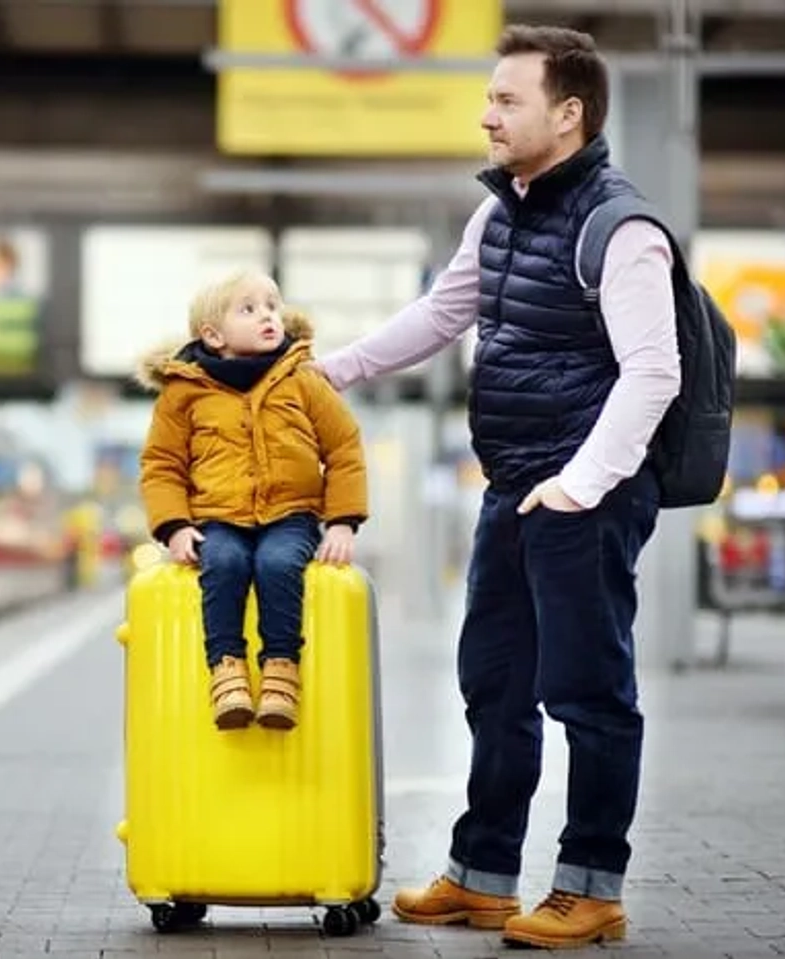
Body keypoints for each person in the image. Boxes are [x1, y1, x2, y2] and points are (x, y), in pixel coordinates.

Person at [313, 25, 681, 951]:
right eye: (489, 97)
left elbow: (654, 373)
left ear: (569, 113)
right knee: (494, 682)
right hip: (513, 484)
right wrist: (335, 369)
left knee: (588, 692)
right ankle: (483, 875)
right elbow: (444, 311)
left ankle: (590, 888)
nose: (487, 115)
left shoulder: (621, 229)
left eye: (507, 99)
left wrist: (579, 484)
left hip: (585, 495)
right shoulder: (501, 214)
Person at [137, 270, 368, 731]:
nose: (268, 316)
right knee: (223, 562)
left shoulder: (302, 379)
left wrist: (342, 522)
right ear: (213, 335)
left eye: (272, 306)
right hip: (216, 518)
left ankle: (281, 671)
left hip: (291, 515)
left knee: (278, 564)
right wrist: (175, 526)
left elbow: (343, 447)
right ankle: (227, 671)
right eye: (249, 309)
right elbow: (162, 464)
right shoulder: (183, 393)